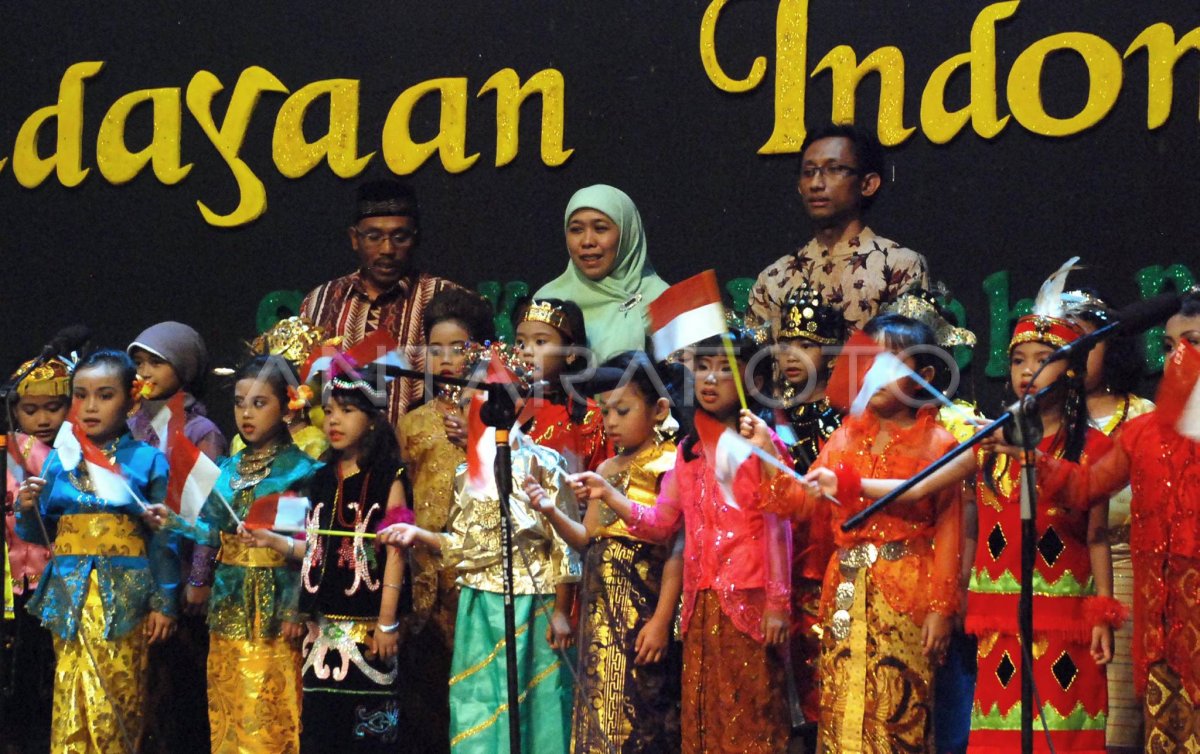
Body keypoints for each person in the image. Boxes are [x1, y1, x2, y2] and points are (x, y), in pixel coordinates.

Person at [818, 268, 1119, 753]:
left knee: (1061, 733)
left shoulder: (1092, 448)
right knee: (999, 731)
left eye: (1044, 360)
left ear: (1073, 371)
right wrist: (849, 482)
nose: (1028, 371)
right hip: (998, 614)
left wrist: (1103, 611)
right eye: (1019, 359)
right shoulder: (989, 440)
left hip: (1064, 611)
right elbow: (918, 490)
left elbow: (1099, 533)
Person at [569, 329, 793, 754]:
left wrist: (779, 603)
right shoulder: (689, 451)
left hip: (749, 602)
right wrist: (609, 493)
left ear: (753, 382)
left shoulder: (762, 444)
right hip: (701, 607)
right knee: (703, 718)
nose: (710, 379)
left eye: (725, 369)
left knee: (750, 717)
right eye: (703, 368)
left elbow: (779, 521)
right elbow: (660, 525)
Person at [751, 314, 963, 753]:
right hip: (845, 591)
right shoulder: (846, 436)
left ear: (923, 375)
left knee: (898, 711)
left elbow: (950, 528)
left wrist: (942, 608)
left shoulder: (939, 442)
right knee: (841, 705)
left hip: (907, 596)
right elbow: (807, 502)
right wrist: (768, 455)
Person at [381, 346, 581, 754]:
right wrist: (417, 534)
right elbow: (463, 545)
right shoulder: (464, 475)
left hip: (531, 604)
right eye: (475, 394)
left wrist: (561, 612)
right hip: (477, 606)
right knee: (478, 709)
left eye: (494, 394)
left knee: (536, 709)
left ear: (518, 402)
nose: (483, 404)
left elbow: (565, 546)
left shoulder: (545, 463)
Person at [15, 349, 178, 753]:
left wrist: (166, 601)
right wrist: (26, 509)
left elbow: (165, 538)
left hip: (125, 596)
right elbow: (37, 533)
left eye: (105, 395)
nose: (89, 406)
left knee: (115, 696)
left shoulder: (147, 459)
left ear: (132, 400)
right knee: (70, 693)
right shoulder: (60, 461)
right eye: (81, 395)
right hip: (69, 596)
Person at [160, 355, 322, 754]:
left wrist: (294, 609)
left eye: (259, 403)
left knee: (270, 707)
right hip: (228, 599)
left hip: (273, 602)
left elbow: (304, 547)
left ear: (288, 405)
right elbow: (210, 531)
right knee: (228, 705)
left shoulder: (299, 471)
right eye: (238, 403)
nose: (246, 414)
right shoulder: (227, 467)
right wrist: (172, 524)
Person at [525, 351, 685, 752]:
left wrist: (662, 620)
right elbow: (587, 537)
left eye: (623, 411)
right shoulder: (608, 468)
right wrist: (551, 510)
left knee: (644, 712)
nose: (610, 423)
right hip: (600, 616)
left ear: (659, 409)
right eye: (605, 412)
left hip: (642, 612)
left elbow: (675, 546)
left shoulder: (671, 462)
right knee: (598, 708)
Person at [283, 362, 407, 752]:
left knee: (369, 738)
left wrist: (387, 622)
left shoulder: (390, 475)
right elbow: (315, 549)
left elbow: (395, 553)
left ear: (371, 420)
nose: (333, 420)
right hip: (321, 635)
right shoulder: (319, 477)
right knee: (320, 735)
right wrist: (275, 543)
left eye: (347, 411)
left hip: (369, 632)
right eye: (330, 410)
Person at [397, 287, 496, 754]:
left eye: (458, 348)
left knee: (478, 689)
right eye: (435, 350)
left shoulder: (497, 414)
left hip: (478, 573)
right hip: (424, 577)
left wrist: (477, 436)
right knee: (427, 694)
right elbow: (405, 491)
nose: (446, 359)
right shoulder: (413, 423)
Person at [127, 321, 229, 754]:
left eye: (156, 362)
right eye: (138, 362)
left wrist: (199, 577)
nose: (144, 372)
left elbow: (209, 513)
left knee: (176, 693)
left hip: (182, 574)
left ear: (183, 368)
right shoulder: (128, 424)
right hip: (133, 573)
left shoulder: (201, 432)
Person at [1063, 291, 1154, 753]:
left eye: (1083, 342)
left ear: (1111, 347)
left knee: (1117, 721)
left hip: (1125, 573)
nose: (1072, 356)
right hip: (1056, 577)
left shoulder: (1144, 417)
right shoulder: (1047, 422)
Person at [300, 179, 461, 424]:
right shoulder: (319, 302)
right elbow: (305, 393)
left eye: (400, 237)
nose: (387, 249)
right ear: (355, 238)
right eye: (374, 237)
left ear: (415, 238)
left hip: (419, 455)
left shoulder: (446, 298)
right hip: (336, 458)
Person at [746, 124, 930, 334]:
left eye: (833, 169)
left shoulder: (898, 266)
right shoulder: (774, 277)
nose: (816, 183)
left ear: (867, 184)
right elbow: (754, 364)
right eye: (808, 172)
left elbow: (905, 358)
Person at [3, 354, 72, 753]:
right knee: (25, 660)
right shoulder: (11, 451)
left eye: (54, 407)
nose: (43, 418)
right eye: (31, 410)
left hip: (60, 573)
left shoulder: (71, 451)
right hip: (19, 574)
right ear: (14, 410)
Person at [534, 184, 670, 362]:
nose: (587, 241)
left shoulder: (663, 301)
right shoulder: (547, 301)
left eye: (600, 228)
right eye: (576, 230)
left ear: (627, 234)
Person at [512, 297, 609, 474]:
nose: (526, 351)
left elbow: (603, 484)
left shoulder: (590, 418)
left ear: (570, 353)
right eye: (520, 343)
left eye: (540, 342)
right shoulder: (505, 407)